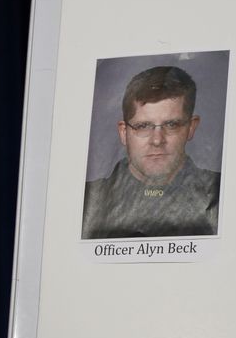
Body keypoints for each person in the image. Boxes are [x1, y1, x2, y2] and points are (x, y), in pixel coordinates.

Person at [82, 66, 220, 239]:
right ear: (124, 133)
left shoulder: (222, 192)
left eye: (171, 125)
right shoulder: (87, 200)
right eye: (143, 126)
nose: (157, 140)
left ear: (191, 127)